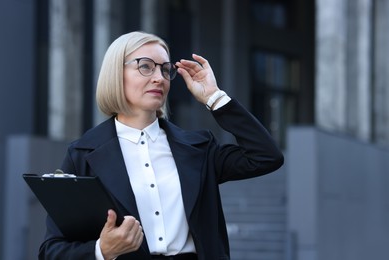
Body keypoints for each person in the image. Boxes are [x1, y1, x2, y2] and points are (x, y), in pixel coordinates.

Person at [39, 31, 284, 260]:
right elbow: (52, 250)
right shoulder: (82, 154)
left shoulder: (199, 149)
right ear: (116, 73)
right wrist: (102, 250)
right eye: (145, 66)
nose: (159, 78)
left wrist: (214, 96)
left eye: (165, 70)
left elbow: (266, 156)